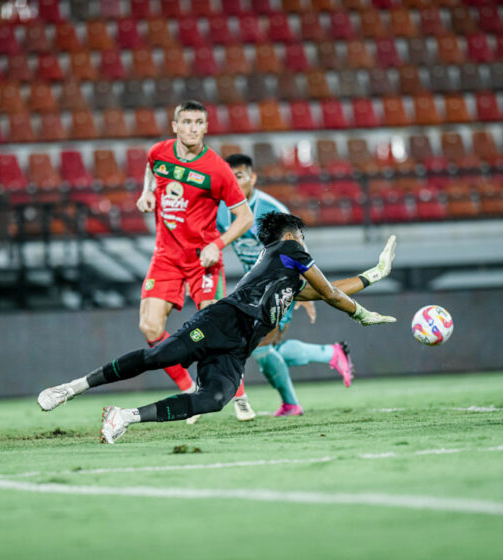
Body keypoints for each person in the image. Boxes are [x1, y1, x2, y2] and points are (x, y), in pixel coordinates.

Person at [37, 212, 398, 444]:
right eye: (303, 237)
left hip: (240, 344)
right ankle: (72, 388)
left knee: (214, 399)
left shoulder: (284, 270)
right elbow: (332, 293)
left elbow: (327, 292)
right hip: (223, 320)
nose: (305, 243)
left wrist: (373, 275)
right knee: (161, 356)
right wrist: (361, 314)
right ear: (294, 233)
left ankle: (125, 417)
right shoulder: (290, 247)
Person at [218, 154, 388, 417]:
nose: (235, 182)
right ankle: (329, 355)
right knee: (264, 349)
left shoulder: (271, 210)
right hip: (257, 290)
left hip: (283, 284)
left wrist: (307, 293)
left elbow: (300, 252)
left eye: (239, 176)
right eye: (230, 177)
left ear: (252, 178)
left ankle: (293, 402)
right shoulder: (222, 210)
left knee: (260, 346)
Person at [134, 100, 254, 414]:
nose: (192, 128)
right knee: (149, 327)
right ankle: (188, 388)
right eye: (186, 122)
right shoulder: (158, 152)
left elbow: (245, 218)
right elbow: (151, 168)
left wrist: (219, 243)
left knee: (215, 331)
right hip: (166, 257)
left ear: (206, 127)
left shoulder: (217, 169)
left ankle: (238, 395)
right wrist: (147, 192)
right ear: (175, 126)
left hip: (204, 259)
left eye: (198, 123)